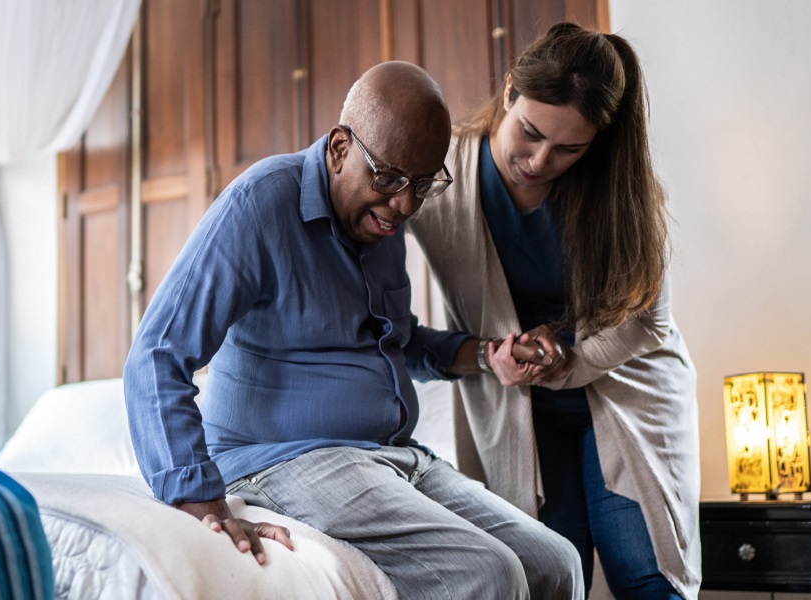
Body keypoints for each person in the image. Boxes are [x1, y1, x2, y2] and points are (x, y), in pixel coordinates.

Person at [123, 60, 583, 600]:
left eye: (423, 183)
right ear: (340, 148)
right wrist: (200, 502)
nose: (405, 205)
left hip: (395, 456)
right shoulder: (260, 205)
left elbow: (401, 341)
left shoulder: (379, 220)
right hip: (284, 459)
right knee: (489, 573)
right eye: (389, 179)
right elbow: (156, 353)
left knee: (557, 561)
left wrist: (487, 354)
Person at [407, 23, 701, 599]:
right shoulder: (440, 175)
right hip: (516, 401)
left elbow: (649, 322)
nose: (540, 161)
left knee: (643, 571)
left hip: (623, 384)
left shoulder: (620, 189)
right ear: (510, 89)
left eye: (569, 148)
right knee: (549, 570)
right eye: (531, 133)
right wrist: (492, 358)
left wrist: (567, 361)